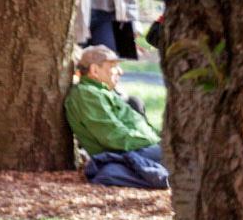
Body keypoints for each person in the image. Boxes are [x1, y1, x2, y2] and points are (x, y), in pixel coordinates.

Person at [66, 46, 168, 188]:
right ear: (95, 70)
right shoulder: (87, 94)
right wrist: (157, 142)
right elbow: (112, 136)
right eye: (113, 67)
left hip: (141, 148)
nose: (120, 71)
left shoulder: (102, 91)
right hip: (132, 151)